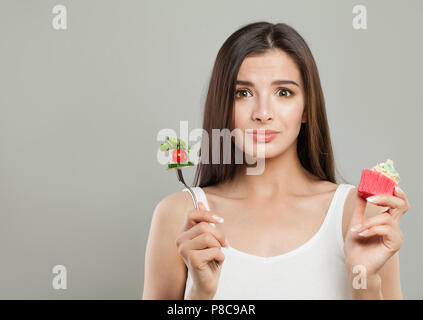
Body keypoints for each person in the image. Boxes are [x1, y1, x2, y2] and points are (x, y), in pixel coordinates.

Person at [143, 22, 410, 299]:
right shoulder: (179, 216)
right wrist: (200, 293)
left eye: (284, 92)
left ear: (306, 108)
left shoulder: (360, 215)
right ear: (223, 105)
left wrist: (365, 281)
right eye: (242, 93)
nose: (263, 113)